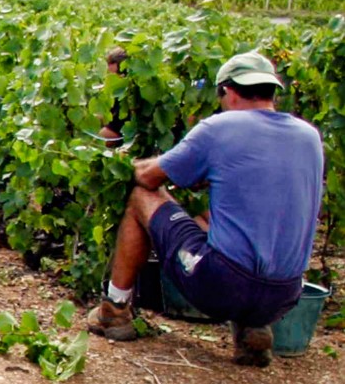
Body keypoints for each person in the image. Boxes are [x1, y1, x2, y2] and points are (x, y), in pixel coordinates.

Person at [86, 51, 324, 367]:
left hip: (221, 285)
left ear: (226, 91)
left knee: (142, 197)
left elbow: (148, 176)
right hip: (284, 296)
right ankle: (253, 328)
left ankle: (114, 310)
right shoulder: (309, 136)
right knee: (229, 220)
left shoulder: (220, 127)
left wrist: (127, 162)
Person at [98, 47, 129, 143]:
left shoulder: (129, 94)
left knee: (97, 140)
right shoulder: (115, 90)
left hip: (124, 136)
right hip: (116, 128)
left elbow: (115, 127)